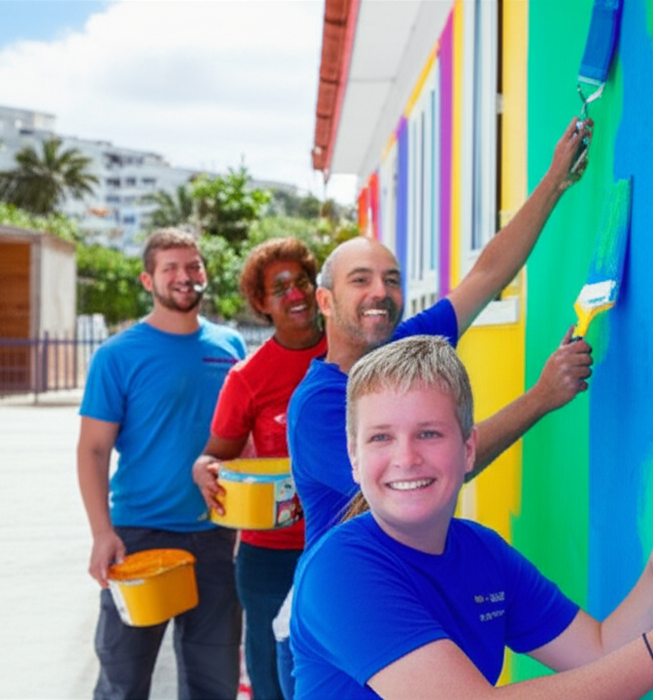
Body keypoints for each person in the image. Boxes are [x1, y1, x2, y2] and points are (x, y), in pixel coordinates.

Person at [278, 116, 596, 696]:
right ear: (325, 300)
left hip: (422, 585)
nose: (381, 291)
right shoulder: (320, 404)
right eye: (360, 280)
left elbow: (487, 274)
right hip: (358, 612)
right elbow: (431, 472)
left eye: (392, 279)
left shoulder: (404, 351)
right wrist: (541, 399)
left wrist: (554, 181)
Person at [290, 336, 653, 699]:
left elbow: (596, 649)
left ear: (468, 447)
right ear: (352, 457)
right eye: (380, 438)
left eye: (429, 433)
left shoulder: (481, 551)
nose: (406, 457)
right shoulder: (340, 571)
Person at [77, 228, 246, 700]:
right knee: (123, 679)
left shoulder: (230, 346)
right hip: (138, 540)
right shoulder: (117, 355)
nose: (184, 277)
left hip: (214, 536)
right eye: (170, 267)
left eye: (193, 266)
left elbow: (242, 439)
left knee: (213, 682)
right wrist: (101, 533)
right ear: (147, 280)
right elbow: (93, 449)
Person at [191, 237, 325, 700]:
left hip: (341, 541)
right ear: (261, 303)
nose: (296, 294)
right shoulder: (248, 378)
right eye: (280, 286)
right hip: (269, 555)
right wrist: (203, 470)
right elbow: (216, 455)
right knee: (272, 682)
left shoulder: (351, 352)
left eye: (303, 281)